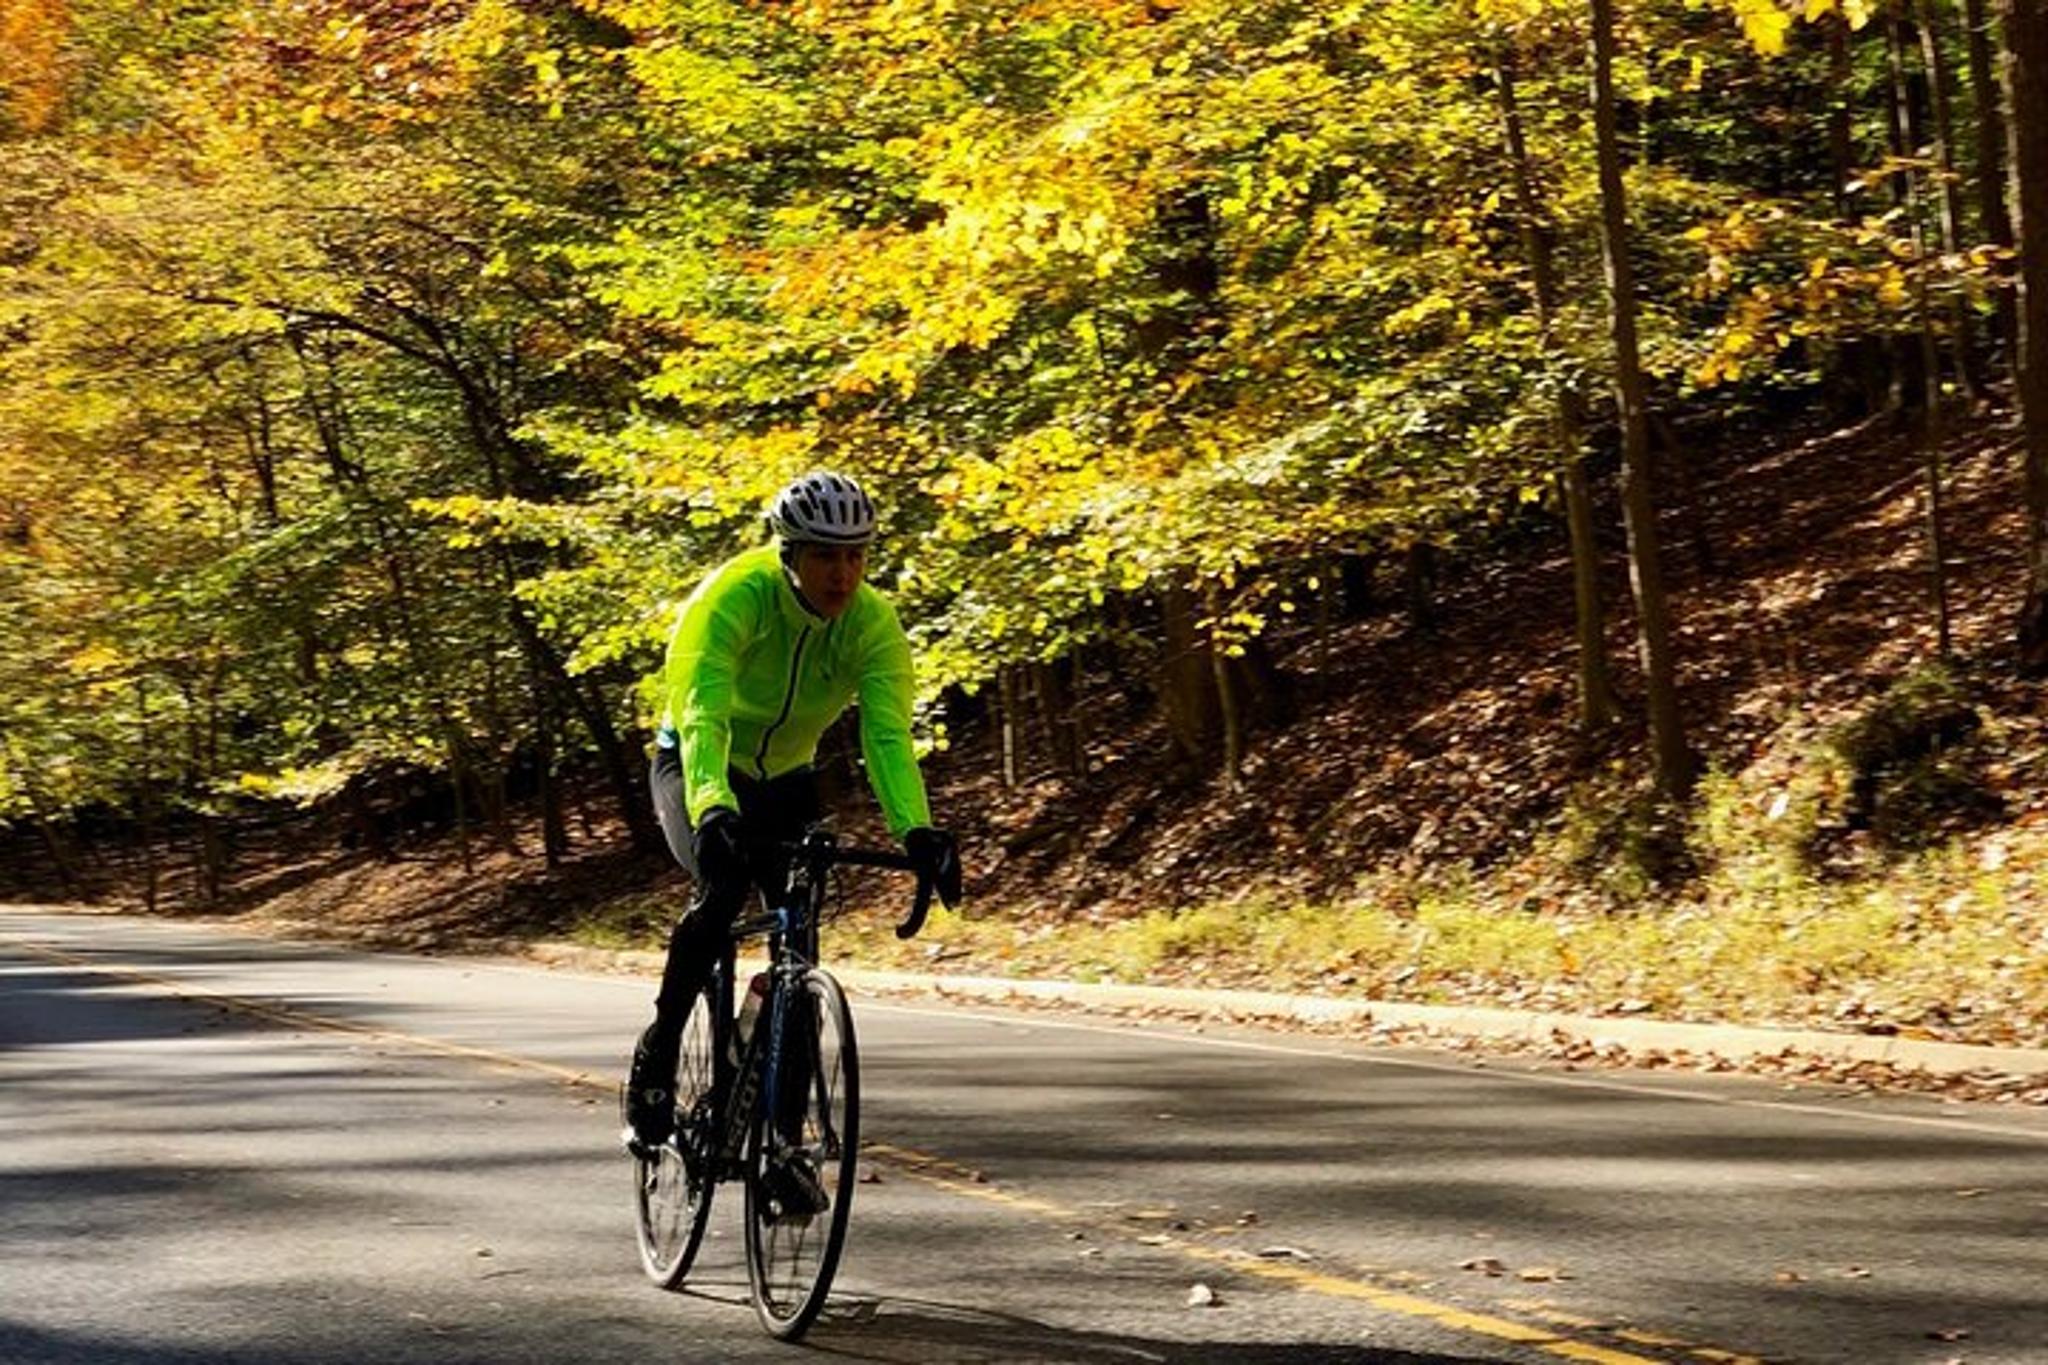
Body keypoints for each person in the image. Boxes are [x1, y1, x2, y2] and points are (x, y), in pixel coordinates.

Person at [625, 470, 962, 1150]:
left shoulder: (872, 622)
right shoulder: (733, 598)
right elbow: (702, 712)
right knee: (721, 889)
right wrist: (713, 804)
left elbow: (888, 734)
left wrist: (917, 829)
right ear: (788, 555)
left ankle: (782, 1135)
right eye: (824, 556)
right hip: (696, 763)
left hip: (786, 778)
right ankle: (659, 1053)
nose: (842, 575)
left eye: (856, 556)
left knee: (799, 933)